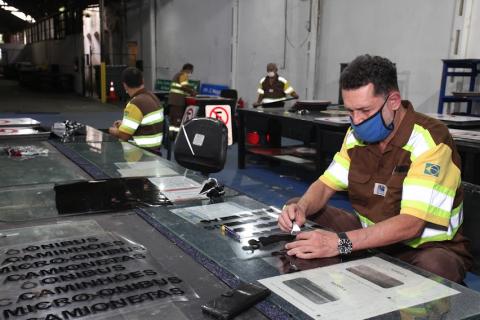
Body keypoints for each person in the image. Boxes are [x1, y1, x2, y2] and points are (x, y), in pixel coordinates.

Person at [278, 54, 472, 283]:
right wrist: (302, 206)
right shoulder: (356, 135)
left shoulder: (430, 141)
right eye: (350, 111)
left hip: (420, 247)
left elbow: (411, 224)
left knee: (437, 266)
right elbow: (325, 185)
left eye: (365, 111)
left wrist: (341, 243)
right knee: (297, 206)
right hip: (371, 237)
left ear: (393, 101)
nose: (357, 121)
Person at [109, 67, 163, 155]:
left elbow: (124, 135)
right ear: (142, 80)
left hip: (140, 153)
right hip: (155, 150)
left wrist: (111, 130)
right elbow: (146, 123)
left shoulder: (135, 103)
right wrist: (125, 124)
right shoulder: (152, 97)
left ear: (125, 85)